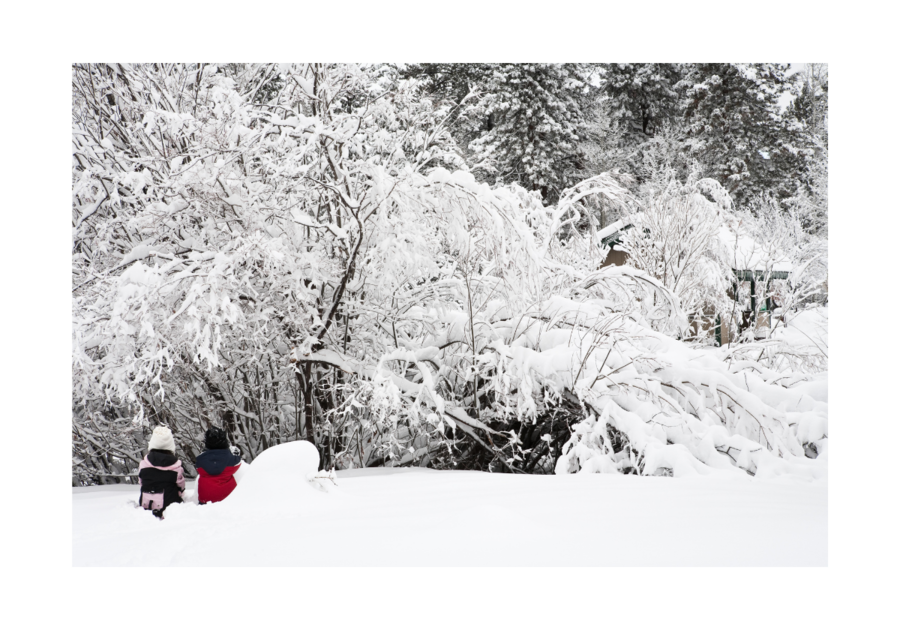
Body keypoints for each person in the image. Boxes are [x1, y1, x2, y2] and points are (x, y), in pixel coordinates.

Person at [138, 426, 185, 519]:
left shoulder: (143, 464)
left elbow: (141, 483)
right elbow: (181, 486)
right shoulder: (176, 466)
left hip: (147, 504)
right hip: (170, 506)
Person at [196, 427, 242, 504]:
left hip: (205, 499)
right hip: (228, 497)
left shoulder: (200, 460)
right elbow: (238, 462)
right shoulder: (230, 458)